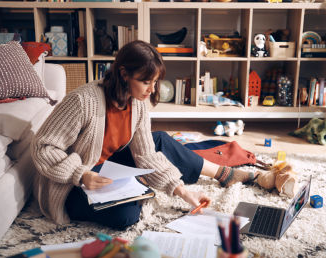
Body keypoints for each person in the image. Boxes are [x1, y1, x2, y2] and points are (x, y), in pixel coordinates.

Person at [31, 40, 258, 230]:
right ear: (124, 74)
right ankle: (136, 184)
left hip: (106, 168)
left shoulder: (137, 105)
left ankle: (220, 173)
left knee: (158, 141)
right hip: (72, 183)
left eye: (155, 82)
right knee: (126, 216)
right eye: (146, 81)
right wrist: (81, 175)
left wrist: (182, 192)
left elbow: (147, 156)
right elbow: (43, 147)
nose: (151, 89)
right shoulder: (82, 101)